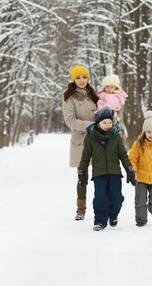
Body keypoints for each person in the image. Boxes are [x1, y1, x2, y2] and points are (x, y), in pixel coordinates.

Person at [78, 106, 137, 231]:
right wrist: (82, 173)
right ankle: (100, 221)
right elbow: (85, 157)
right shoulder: (90, 138)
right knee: (100, 199)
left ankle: (113, 215)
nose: (107, 125)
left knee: (117, 199)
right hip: (99, 175)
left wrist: (130, 169)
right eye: (104, 122)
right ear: (98, 123)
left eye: (110, 122)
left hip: (115, 174)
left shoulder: (115, 137)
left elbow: (123, 155)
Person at [62, 64, 98, 220]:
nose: (82, 80)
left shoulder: (94, 93)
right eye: (78, 77)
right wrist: (89, 125)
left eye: (84, 76)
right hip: (80, 141)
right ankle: (81, 210)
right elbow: (70, 121)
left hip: (98, 139)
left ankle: (101, 207)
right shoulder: (69, 97)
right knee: (82, 176)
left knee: (101, 175)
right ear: (73, 79)